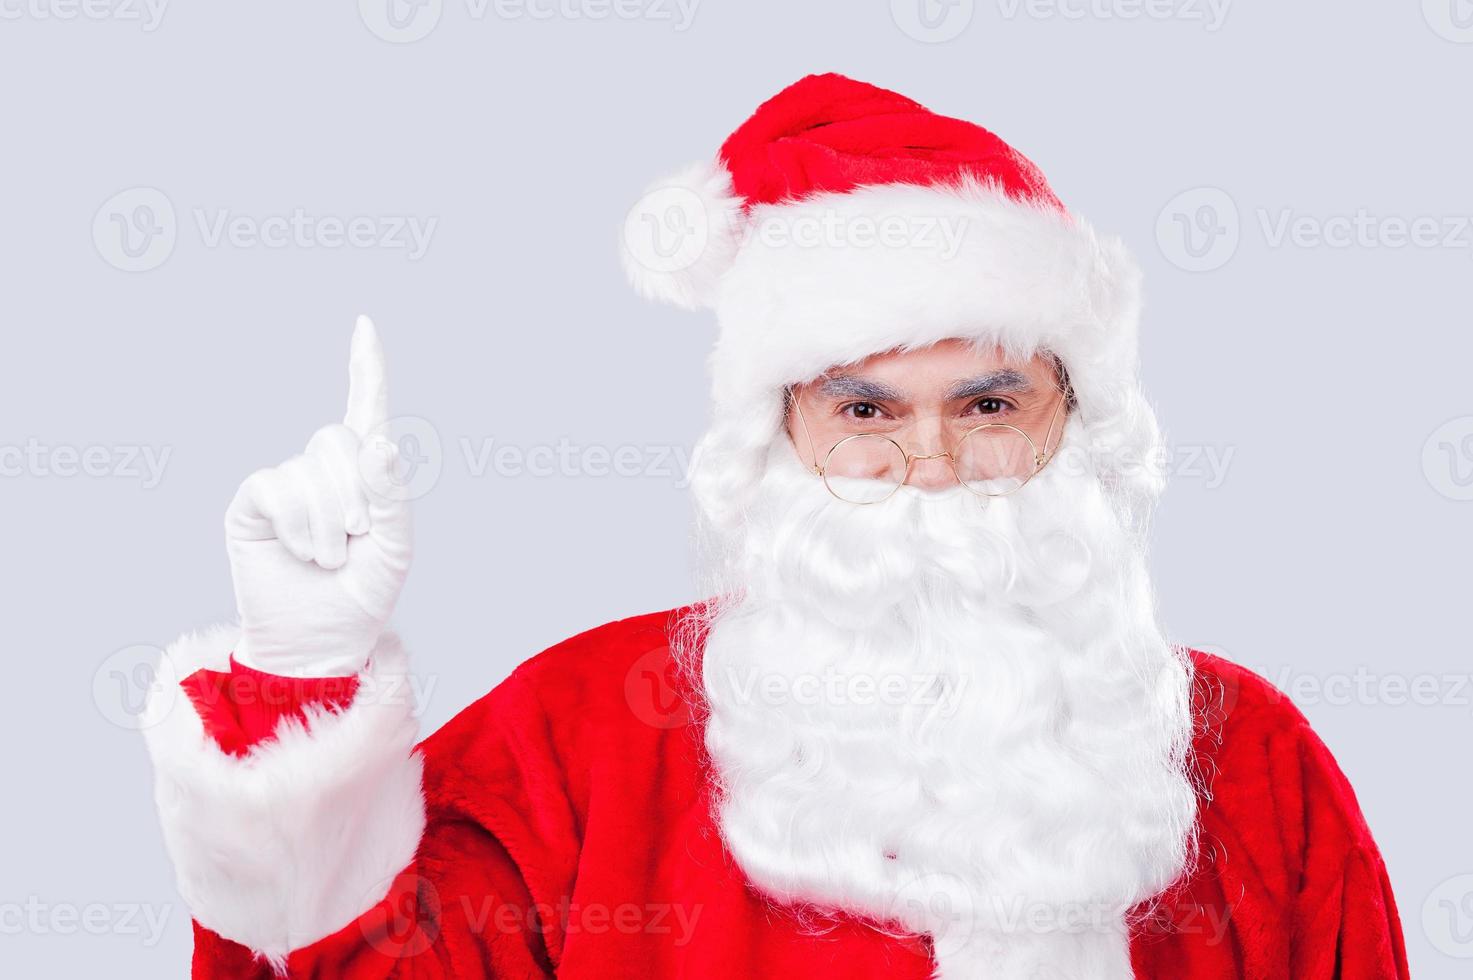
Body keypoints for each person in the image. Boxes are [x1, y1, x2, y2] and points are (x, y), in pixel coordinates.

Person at [141, 73, 1408, 979]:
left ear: (1071, 420)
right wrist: (301, 675)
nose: (930, 465)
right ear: (777, 436)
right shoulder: (583, 735)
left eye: (987, 401)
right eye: (866, 405)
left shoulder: (1252, 766)